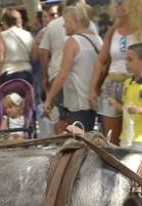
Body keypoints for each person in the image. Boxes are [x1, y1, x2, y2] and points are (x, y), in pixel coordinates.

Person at [89, 0, 142, 145]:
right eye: (115, 3)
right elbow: (101, 61)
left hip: (135, 87)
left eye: (120, 2)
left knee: (136, 136)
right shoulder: (113, 31)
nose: (116, 6)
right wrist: (93, 89)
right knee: (112, 139)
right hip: (111, 86)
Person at [44, 4, 103, 132]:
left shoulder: (72, 42)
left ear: (76, 22)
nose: (64, 25)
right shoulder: (98, 39)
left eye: (66, 21)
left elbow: (62, 75)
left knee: (79, 143)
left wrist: (49, 99)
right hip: (95, 100)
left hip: (78, 102)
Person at [108, 42, 142, 149]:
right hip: (126, 136)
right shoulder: (127, 83)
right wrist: (116, 105)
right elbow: (126, 109)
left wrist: (139, 110)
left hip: (141, 138)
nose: (126, 63)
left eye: (130, 60)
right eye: (126, 59)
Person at [0, 9, 36, 86]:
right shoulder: (28, 35)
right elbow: (34, 57)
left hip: (9, 74)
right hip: (26, 74)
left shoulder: (3, 35)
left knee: (9, 97)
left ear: (5, 21)